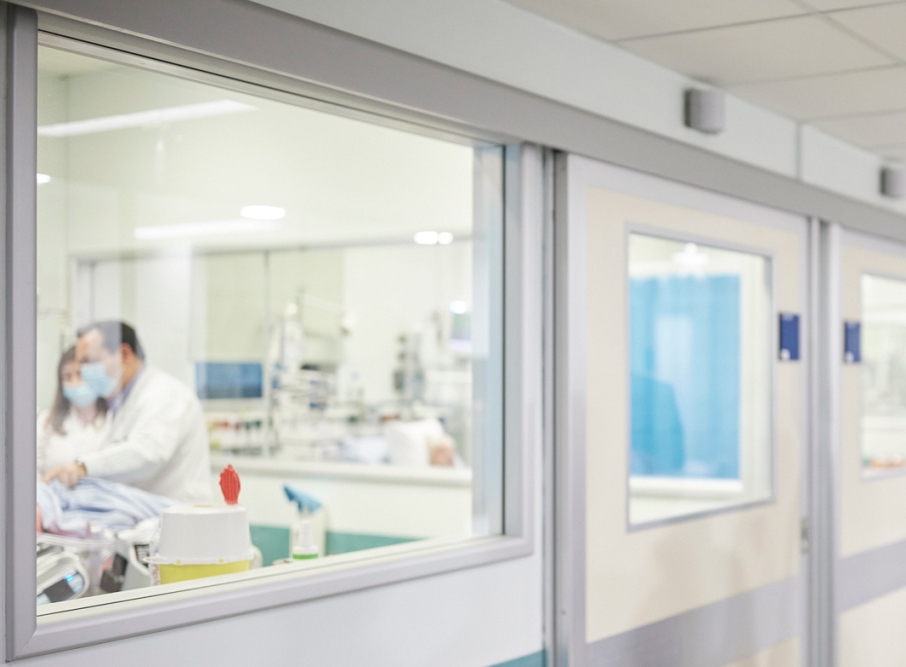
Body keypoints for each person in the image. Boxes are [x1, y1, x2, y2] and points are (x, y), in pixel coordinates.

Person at [43, 321, 212, 504]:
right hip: (147, 514)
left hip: (178, 513)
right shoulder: (122, 401)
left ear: (124, 355)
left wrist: (83, 467)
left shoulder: (166, 394)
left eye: (89, 361)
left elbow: (148, 453)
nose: (83, 371)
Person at [37, 347, 110, 479]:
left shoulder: (113, 419)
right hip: (51, 491)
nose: (74, 382)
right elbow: (31, 469)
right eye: (68, 376)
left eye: (80, 374)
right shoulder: (46, 421)